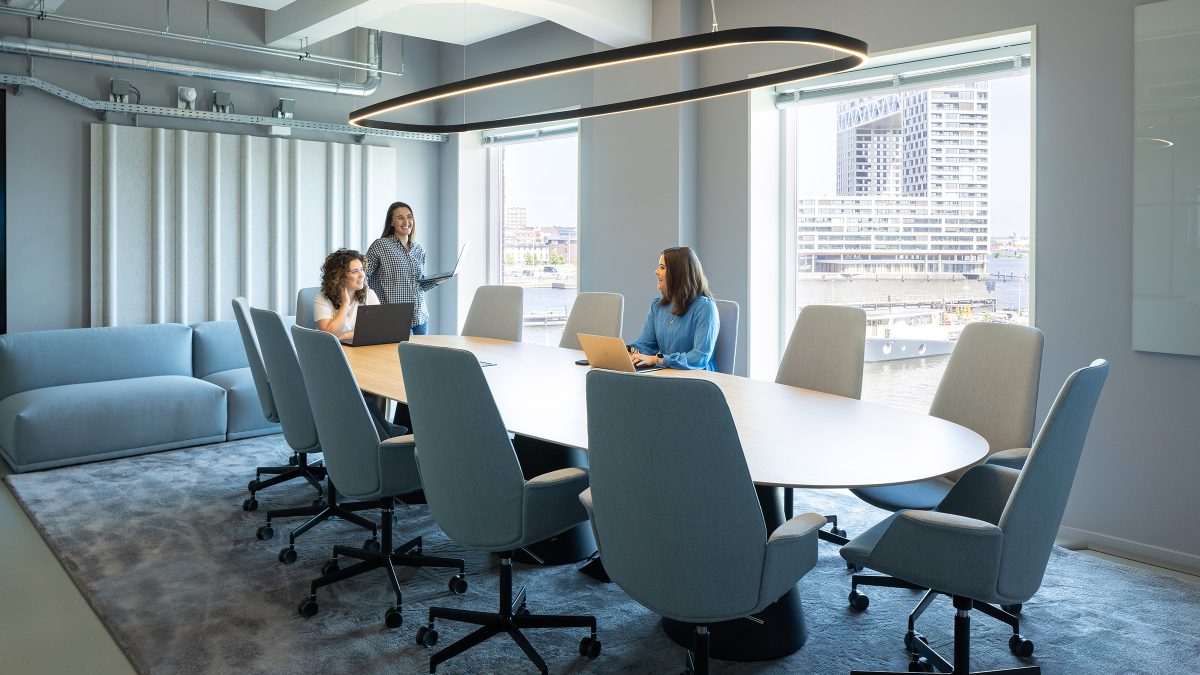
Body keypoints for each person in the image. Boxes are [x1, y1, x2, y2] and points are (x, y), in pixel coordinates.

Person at [628, 246, 720, 371]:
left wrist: (658, 359)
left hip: (699, 380)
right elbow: (645, 345)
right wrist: (628, 353)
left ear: (678, 274)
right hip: (668, 375)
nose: (656, 272)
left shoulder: (705, 307)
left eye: (662, 267)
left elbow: (699, 357)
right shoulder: (658, 305)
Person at [365, 201, 441, 335]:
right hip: (393, 318)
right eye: (400, 218)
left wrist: (437, 281)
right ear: (391, 222)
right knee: (399, 356)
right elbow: (362, 276)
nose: (406, 221)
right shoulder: (380, 245)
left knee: (421, 356)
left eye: (409, 217)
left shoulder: (419, 249)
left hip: (420, 318)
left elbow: (419, 285)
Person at [314, 248, 379, 342]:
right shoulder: (322, 298)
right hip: (333, 350)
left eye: (361, 269)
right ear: (340, 276)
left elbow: (377, 329)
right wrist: (345, 304)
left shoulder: (369, 294)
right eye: (355, 271)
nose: (362, 275)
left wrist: (343, 336)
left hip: (360, 349)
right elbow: (330, 335)